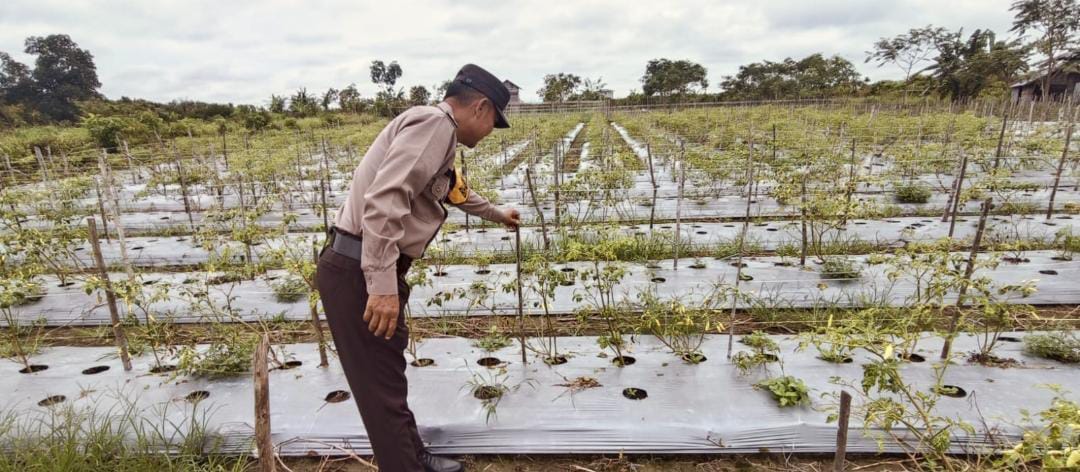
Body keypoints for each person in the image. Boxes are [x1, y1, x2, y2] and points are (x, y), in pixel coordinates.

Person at [315, 64, 519, 472]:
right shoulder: (434, 125)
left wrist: (497, 213)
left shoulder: (438, 134)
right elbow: (385, 201)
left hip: (361, 267)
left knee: (388, 379)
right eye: (494, 122)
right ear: (480, 108)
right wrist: (381, 286)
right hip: (359, 271)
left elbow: (454, 189)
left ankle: (413, 457)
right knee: (380, 392)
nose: (490, 132)